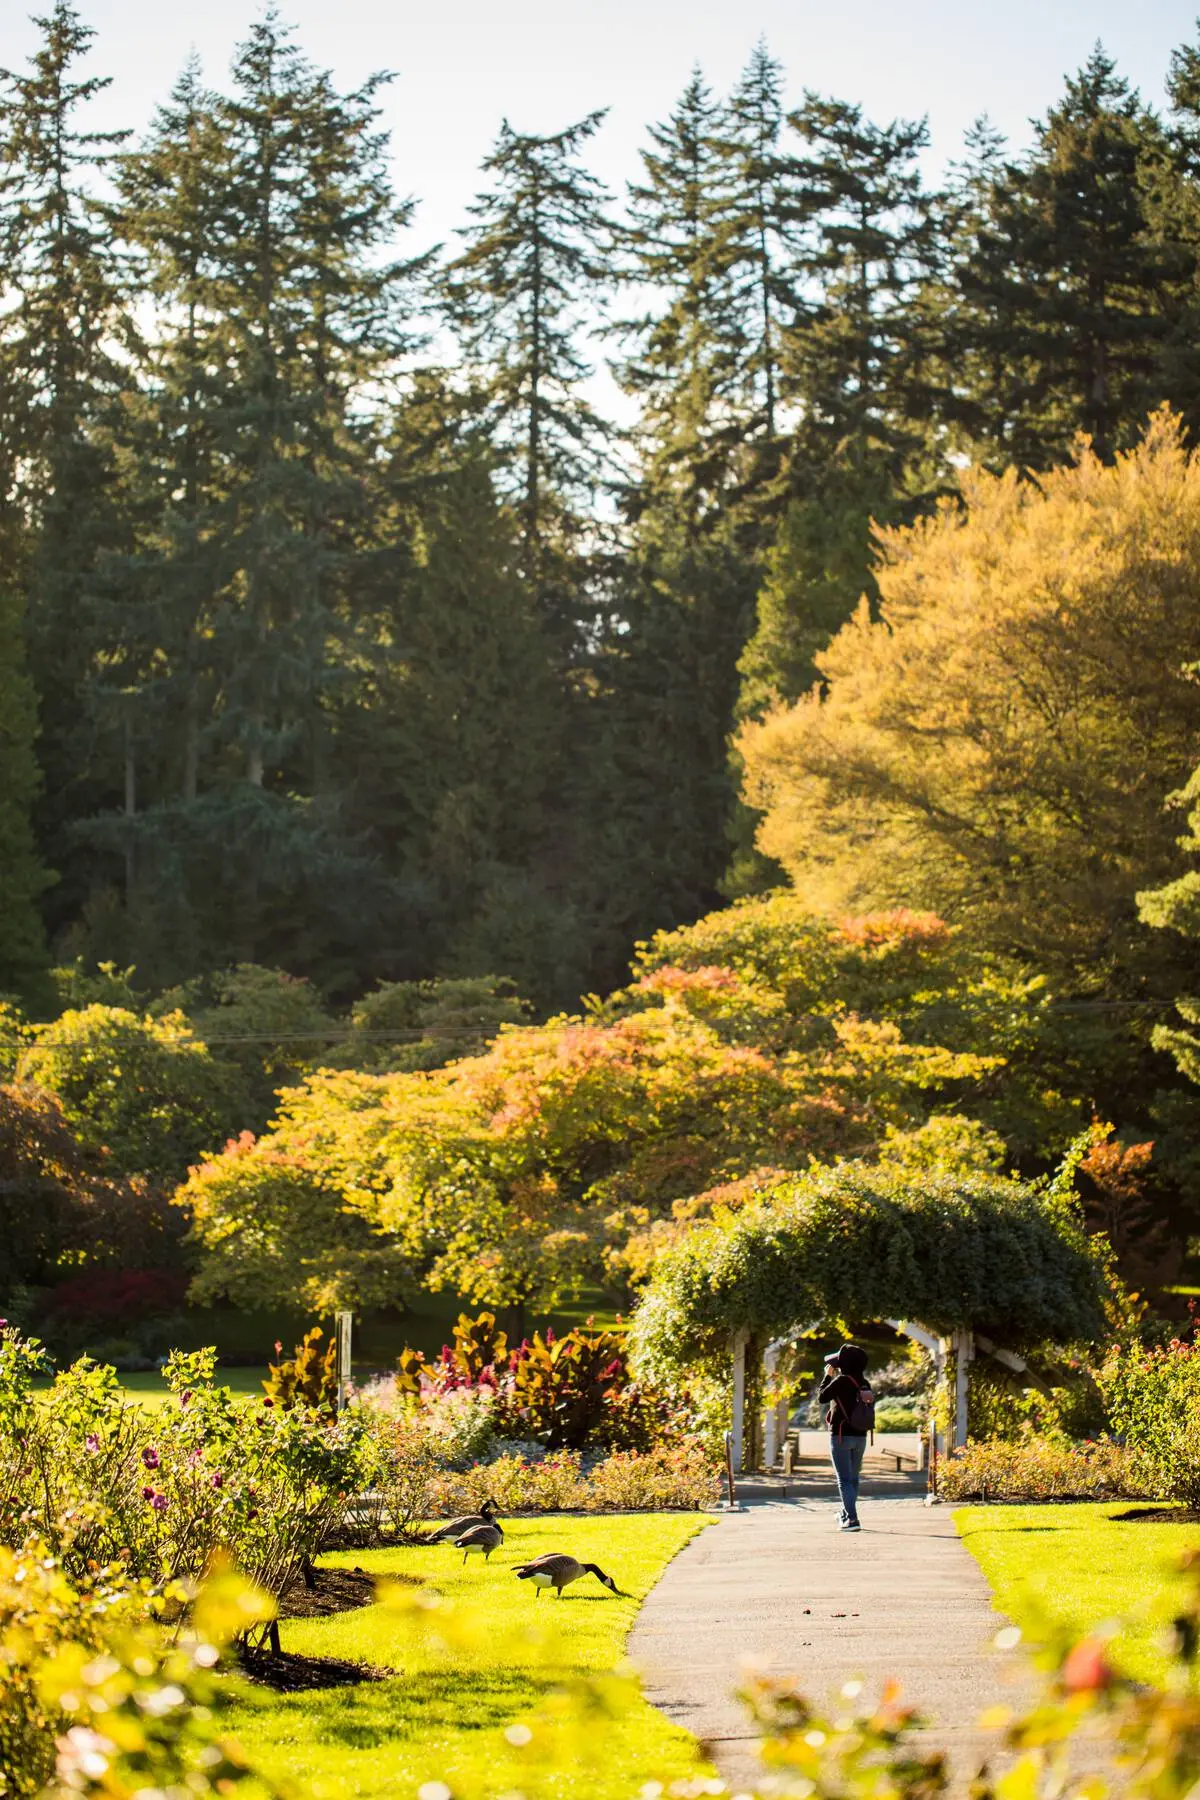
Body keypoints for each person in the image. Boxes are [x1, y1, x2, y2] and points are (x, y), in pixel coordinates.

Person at [818, 1343, 871, 1532]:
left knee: (844, 1480)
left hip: (841, 1436)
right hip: (860, 1436)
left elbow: (822, 1397)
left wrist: (827, 1376)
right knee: (853, 1478)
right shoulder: (864, 1383)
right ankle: (846, 1513)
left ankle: (852, 1519)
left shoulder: (841, 1381)